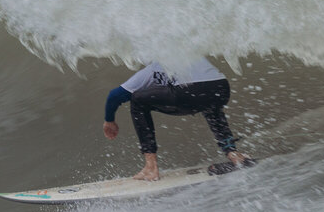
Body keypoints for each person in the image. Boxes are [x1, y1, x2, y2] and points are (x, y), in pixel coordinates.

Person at [102, 58, 249, 181]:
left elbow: (114, 96)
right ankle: (233, 154)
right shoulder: (193, 56)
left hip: (189, 91)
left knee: (138, 100)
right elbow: (205, 85)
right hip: (221, 87)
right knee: (210, 106)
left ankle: (150, 167)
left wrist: (109, 120)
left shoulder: (155, 67)